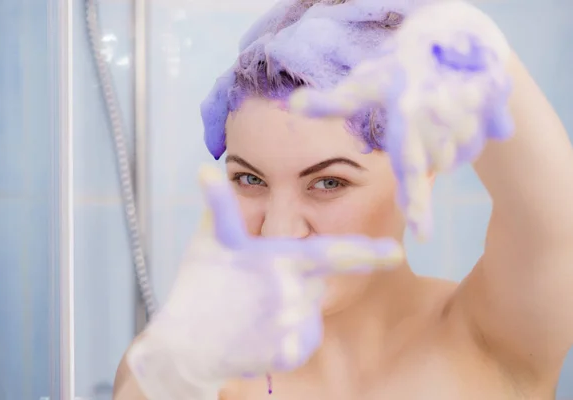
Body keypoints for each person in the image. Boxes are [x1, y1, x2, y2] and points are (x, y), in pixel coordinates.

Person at [113, 0, 573, 399]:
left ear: (423, 171)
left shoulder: (496, 337)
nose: (278, 231)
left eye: (328, 182)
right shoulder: (185, 368)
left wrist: (471, 48)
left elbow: (555, 218)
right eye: (250, 179)